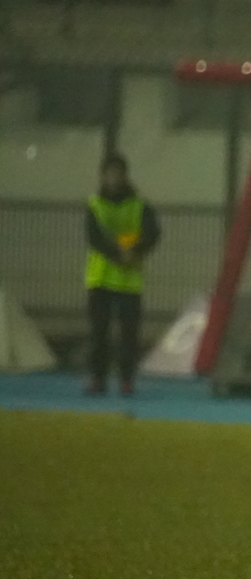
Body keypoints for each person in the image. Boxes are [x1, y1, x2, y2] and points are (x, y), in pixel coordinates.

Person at [83, 154, 161, 397]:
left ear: (125, 176)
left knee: (129, 336)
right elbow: (93, 237)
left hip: (129, 281)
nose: (114, 178)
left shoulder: (140, 205)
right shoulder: (94, 204)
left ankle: (127, 380)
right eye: (110, 173)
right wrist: (120, 254)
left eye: (118, 173)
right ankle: (98, 379)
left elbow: (154, 233)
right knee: (99, 334)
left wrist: (136, 251)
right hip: (101, 278)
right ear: (103, 176)